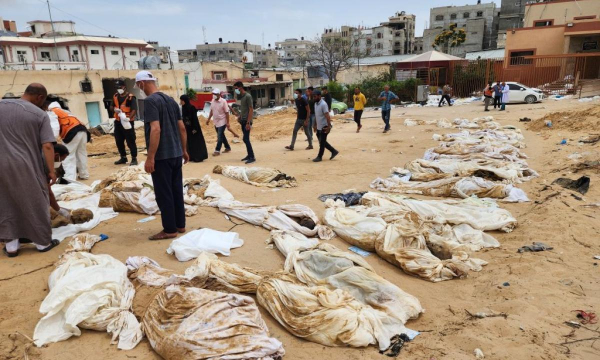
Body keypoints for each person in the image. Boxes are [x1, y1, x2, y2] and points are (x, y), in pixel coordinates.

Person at [0, 83, 60, 257]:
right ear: (40, 97)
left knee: (5, 201)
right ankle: (42, 242)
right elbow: (47, 145)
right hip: (25, 165)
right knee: (35, 200)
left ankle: (11, 246)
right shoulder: (38, 114)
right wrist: (51, 171)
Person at [136, 70, 189, 241]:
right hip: (175, 155)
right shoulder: (171, 100)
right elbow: (181, 128)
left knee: (164, 193)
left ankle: (169, 229)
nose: (139, 88)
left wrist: (150, 157)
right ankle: (180, 224)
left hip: (162, 157)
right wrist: (184, 150)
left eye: (138, 85)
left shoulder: (150, 102)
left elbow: (156, 129)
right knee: (176, 191)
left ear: (141, 83)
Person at [47, 101, 89, 180]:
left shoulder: (52, 112)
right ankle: (84, 174)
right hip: (83, 130)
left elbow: (55, 127)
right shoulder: (66, 111)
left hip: (71, 132)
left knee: (68, 156)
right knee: (81, 153)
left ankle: (69, 178)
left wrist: (53, 140)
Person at [112, 80, 138, 166]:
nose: (118, 89)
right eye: (117, 88)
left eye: (120, 87)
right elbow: (111, 106)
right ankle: (123, 157)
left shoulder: (131, 97)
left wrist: (129, 118)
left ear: (124, 87)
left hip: (127, 123)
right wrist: (114, 109)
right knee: (118, 140)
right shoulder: (115, 96)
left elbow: (134, 109)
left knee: (130, 140)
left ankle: (134, 158)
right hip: (118, 122)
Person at [312, 90, 339, 162]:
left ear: (319, 96)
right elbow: (316, 115)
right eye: (313, 96)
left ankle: (319, 156)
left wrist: (328, 126)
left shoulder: (323, 104)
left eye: (315, 96)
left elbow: (327, 116)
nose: (314, 98)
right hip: (318, 126)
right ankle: (334, 151)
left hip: (324, 126)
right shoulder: (316, 104)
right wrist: (315, 125)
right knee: (322, 142)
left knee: (322, 143)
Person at [180, 95, 208, 162]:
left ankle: (198, 157)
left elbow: (195, 119)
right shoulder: (183, 108)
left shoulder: (192, 108)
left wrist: (195, 128)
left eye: (181, 100)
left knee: (196, 142)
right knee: (189, 143)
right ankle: (191, 156)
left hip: (193, 128)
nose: (181, 102)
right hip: (187, 128)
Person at [233, 81, 256, 164]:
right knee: (246, 139)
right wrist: (240, 117)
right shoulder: (242, 97)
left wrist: (248, 123)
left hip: (247, 121)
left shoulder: (248, 96)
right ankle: (249, 155)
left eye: (236, 88)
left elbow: (251, 109)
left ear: (240, 87)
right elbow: (244, 110)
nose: (235, 90)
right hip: (243, 120)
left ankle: (252, 157)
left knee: (245, 138)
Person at [206, 88, 231, 156]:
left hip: (222, 121)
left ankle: (217, 150)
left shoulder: (223, 101)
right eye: (213, 94)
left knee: (219, 136)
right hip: (216, 121)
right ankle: (227, 147)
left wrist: (228, 123)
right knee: (221, 135)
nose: (214, 95)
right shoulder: (213, 101)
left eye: (215, 94)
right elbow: (211, 111)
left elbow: (227, 112)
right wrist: (208, 119)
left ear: (219, 94)